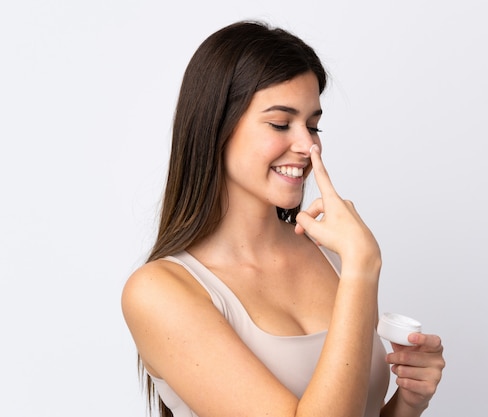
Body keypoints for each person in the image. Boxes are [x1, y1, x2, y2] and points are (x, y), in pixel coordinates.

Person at [121, 20, 445, 417]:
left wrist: (407, 404)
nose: (308, 146)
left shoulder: (331, 255)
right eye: (280, 123)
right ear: (216, 127)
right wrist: (364, 268)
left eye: (313, 125)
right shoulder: (158, 293)